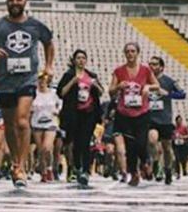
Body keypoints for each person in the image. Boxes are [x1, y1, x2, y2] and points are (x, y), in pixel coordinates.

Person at [0, 0, 55, 189]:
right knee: (10, 125)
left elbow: (48, 42)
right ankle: (15, 164)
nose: (15, 2)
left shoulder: (35, 25)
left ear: (25, 1)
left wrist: (48, 65)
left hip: (27, 80)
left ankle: (20, 165)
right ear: (6, 2)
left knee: (22, 120)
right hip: (5, 82)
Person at [108, 42, 159, 187]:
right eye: (128, 51)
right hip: (124, 113)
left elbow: (157, 86)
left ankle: (145, 162)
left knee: (141, 143)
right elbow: (110, 91)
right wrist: (118, 87)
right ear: (125, 54)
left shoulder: (145, 70)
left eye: (133, 51)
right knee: (130, 146)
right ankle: (134, 173)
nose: (130, 54)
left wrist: (148, 87)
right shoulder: (119, 71)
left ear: (138, 53)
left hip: (142, 113)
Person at [57, 49, 104, 187]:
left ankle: (85, 171)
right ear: (74, 60)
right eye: (78, 58)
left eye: (83, 58)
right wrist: (73, 81)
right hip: (73, 113)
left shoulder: (91, 76)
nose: (81, 60)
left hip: (88, 113)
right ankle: (77, 167)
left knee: (85, 143)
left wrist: (94, 84)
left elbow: (101, 92)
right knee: (75, 144)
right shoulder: (68, 75)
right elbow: (61, 92)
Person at [146, 56, 186, 185]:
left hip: (165, 119)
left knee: (167, 148)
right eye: (150, 64)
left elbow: (182, 94)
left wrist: (168, 94)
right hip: (151, 118)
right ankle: (157, 164)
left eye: (155, 64)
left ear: (161, 67)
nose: (152, 66)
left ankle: (168, 170)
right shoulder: (146, 81)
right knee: (152, 141)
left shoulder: (169, 81)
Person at [30, 73, 62, 182]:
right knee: (40, 150)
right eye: (39, 80)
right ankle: (43, 172)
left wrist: (57, 111)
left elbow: (59, 104)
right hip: (37, 123)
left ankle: (49, 168)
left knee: (47, 147)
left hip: (50, 123)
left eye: (43, 80)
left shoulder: (53, 94)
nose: (42, 82)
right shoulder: (33, 94)